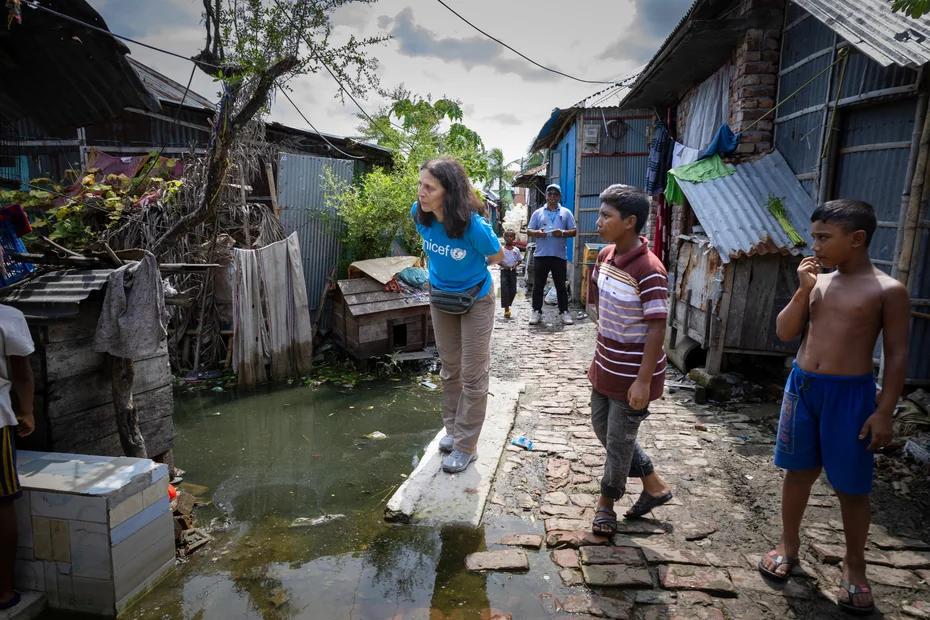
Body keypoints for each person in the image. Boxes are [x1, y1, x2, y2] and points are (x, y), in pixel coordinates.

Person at [758, 199, 909, 615]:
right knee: (798, 472)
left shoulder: (887, 290)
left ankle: (854, 562)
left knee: (851, 486)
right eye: (815, 237)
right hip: (804, 388)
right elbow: (786, 331)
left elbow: (896, 355)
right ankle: (789, 543)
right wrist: (804, 290)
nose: (816, 246)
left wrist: (884, 411)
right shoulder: (818, 284)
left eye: (825, 238)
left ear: (857, 239)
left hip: (851, 396)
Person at [586, 185, 673, 536]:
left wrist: (643, 379)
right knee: (602, 429)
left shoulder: (650, 270)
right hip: (605, 364)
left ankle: (606, 504)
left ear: (630, 222)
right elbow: (602, 310)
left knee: (619, 442)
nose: (599, 221)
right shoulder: (605, 256)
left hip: (634, 374)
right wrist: (596, 361)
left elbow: (657, 328)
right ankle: (654, 485)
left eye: (607, 216)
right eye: (601, 213)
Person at [413, 158, 504, 474]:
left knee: (472, 373)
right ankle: (452, 430)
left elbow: (497, 256)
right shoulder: (419, 215)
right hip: (440, 299)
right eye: (421, 184)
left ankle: (467, 446)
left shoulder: (474, 227)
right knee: (449, 368)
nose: (421, 193)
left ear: (448, 193)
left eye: (429, 187)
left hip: (475, 300)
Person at [0, 304, 35, 611]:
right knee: (2, 501)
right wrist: (26, 411)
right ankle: (4, 591)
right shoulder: (7, 316)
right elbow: (22, 374)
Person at [527, 184, 576, 326]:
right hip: (541, 255)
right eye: (550, 193)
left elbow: (573, 231)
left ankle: (564, 312)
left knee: (560, 285)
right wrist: (538, 233)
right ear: (546, 196)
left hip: (559, 256)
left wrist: (561, 233)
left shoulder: (566, 212)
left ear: (560, 196)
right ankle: (536, 311)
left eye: (555, 194)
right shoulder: (538, 213)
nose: (552, 196)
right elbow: (529, 230)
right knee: (538, 285)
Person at [499, 230, 522, 319]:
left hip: (512, 272)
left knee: (513, 289)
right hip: (504, 272)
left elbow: (519, 260)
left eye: (511, 236)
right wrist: (504, 265)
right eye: (507, 236)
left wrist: (514, 266)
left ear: (514, 238)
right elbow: (497, 260)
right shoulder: (501, 249)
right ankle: (506, 308)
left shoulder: (516, 250)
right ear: (504, 238)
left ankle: (509, 303)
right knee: (504, 289)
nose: (509, 238)